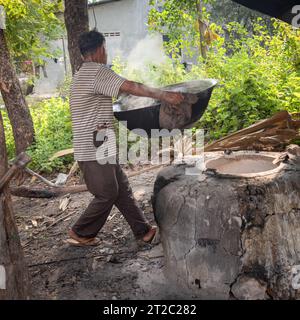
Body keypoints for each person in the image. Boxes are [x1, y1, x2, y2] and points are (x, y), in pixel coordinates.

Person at [66, 30, 184, 247]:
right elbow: (129, 86)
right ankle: (81, 231)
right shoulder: (97, 71)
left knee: (122, 188)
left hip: (100, 141)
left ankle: (143, 231)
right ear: (101, 49)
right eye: (106, 49)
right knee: (108, 193)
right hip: (93, 146)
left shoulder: (84, 73)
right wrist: (165, 95)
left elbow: (123, 90)